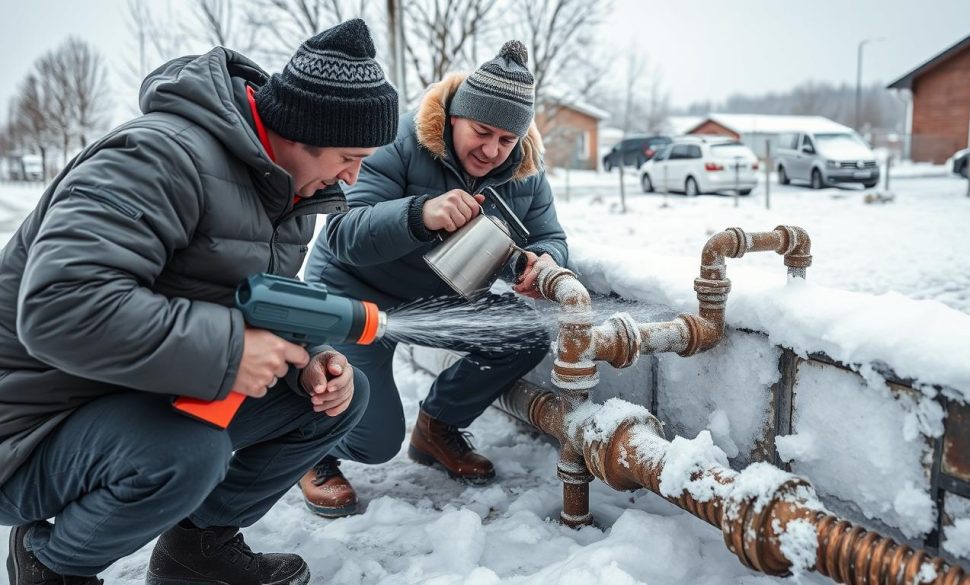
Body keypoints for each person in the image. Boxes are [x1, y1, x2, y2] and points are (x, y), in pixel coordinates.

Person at [0, 18, 398, 585]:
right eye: (349, 156)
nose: (353, 179)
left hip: (130, 392)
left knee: (337, 399)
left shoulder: (289, 190)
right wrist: (233, 350)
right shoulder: (157, 156)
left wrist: (307, 360)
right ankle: (51, 560)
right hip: (30, 427)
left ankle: (199, 548)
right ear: (300, 130)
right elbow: (60, 305)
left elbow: (244, 302)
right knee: (189, 452)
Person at [299, 40, 568, 517]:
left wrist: (543, 260)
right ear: (454, 117)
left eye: (506, 140)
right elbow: (343, 232)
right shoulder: (400, 141)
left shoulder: (526, 171)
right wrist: (421, 214)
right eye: (481, 131)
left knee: (526, 333)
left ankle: (437, 427)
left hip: (442, 295)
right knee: (375, 441)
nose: (491, 150)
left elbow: (550, 234)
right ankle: (309, 450)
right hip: (357, 294)